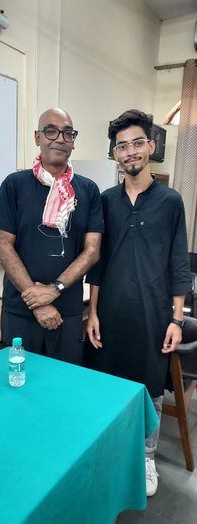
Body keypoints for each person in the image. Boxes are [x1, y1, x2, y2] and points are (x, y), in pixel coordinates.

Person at [84, 109, 191, 496]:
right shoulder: (105, 200)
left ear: (150, 146)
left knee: (149, 388)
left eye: (136, 143)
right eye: (122, 146)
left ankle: (146, 458)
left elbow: (179, 262)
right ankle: (110, 447)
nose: (130, 152)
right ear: (115, 153)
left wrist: (176, 318)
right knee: (105, 380)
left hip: (152, 312)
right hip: (110, 311)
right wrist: (92, 312)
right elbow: (96, 260)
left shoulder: (170, 201)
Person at [0, 107, 103, 364]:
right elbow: (4, 246)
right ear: (37, 138)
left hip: (67, 312)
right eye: (51, 131)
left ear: (73, 143)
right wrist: (38, 301)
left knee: (64, 389)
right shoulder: (14, 185)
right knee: (18, 386)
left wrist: (55, 289)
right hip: (21, 310)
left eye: (68, 134)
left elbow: (92, 251)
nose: (60, 139)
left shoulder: (88, 190)